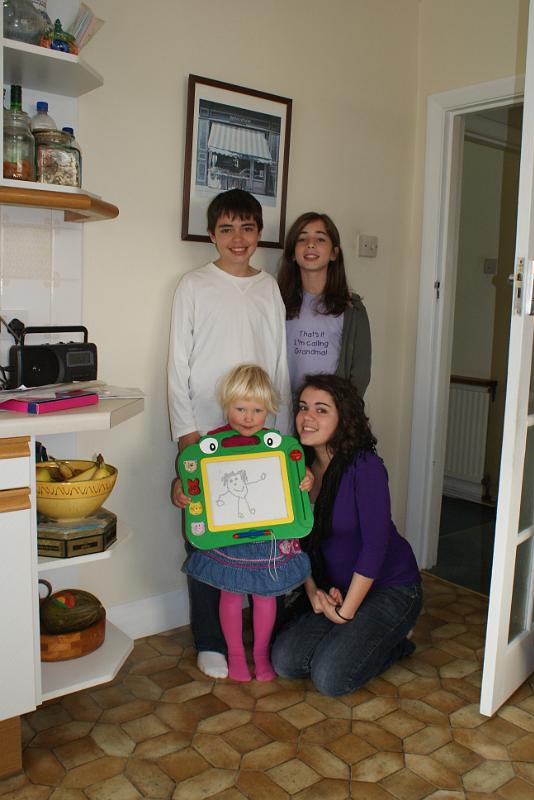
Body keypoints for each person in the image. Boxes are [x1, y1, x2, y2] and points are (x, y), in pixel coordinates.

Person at [167, 189, 292, 680]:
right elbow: (178, 365)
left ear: (259, 233)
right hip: (206, 433)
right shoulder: (193, 285)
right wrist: (187, 434)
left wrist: (278, 436)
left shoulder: (269, 288)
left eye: (247, 228)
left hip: (259, 435)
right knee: (207, 537)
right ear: (212, 235)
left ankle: (263, 638)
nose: (237, 238)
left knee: (260, 537)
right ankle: (211, 641)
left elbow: (279, 364)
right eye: (226, 229)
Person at [271, 374, 422, 696]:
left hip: (390, 587)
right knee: (285, 662)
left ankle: (396, 642)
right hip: (335, 588)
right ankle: (359, 635)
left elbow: (375, 546)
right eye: (303, 407)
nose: (307, 417)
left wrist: (345, 613)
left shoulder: (365, 467)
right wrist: (314, 593)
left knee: (331, 679)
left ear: (343, 418)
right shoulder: (297, 468)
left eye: (321, 409)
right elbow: (296, 543)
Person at [178, 364, 312, 682]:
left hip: (267, 539)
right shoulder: (211, 445)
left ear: (269, 410)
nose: (249, 418)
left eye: (257, 410)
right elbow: (197, 484)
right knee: (231, 595)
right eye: (241, 409)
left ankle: (261, 654)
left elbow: (292, 482)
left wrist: (305, 479)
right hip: (229, 540)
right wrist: (181, 492)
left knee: (266, 596)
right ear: (227, 406)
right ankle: (236, 656)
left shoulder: (277, 446)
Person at [278, 212, 371, 396]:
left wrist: (340, 409)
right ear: (293, 254)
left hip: (332, 410)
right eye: (302, 239)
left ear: (334, 253)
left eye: (320, 239)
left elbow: (360, 374)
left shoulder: (353, 309)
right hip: (283, 408)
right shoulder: (276, 302)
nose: (310, 244)